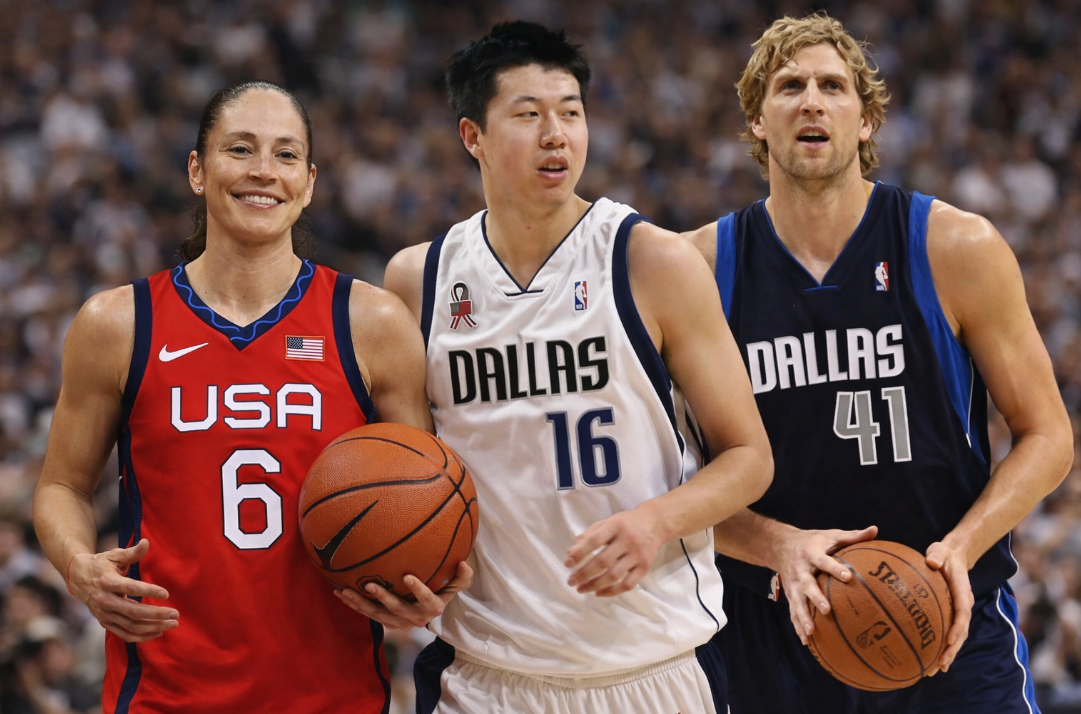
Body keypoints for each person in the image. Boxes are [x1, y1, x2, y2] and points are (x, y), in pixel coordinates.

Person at [32, 80, 467, 714]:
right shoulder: (117, 324)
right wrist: (79, 566)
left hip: (335, 695)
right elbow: (61, 486)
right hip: (163, 694)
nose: (264, 170)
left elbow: (429, 496)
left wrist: (424, 583)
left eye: (286, 155)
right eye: (240, 149)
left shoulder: (371, 322)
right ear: (197, 170)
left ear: (309, 183)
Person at [683, 13, 1074, 714]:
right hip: (771, 633)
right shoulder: (695, 272)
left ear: (866, 122)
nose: (811, 101)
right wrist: (776, 546)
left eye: (832, 87)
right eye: (789, 86)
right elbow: (661, 485)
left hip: (945, 620)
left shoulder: (955, 248)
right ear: (756, 121)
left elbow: (1047, 436)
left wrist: (961, 548)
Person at [377, 20, 773, 714]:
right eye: (528, 115)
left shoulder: (652, 261)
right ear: (472, 136)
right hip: (483, 675)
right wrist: (402, 572)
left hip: (651, 666)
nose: (556, 135)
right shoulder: (419, 280)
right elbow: (408, 479)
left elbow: (749, 458)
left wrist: (655, 522)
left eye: (570, 112)